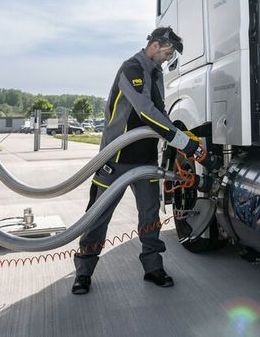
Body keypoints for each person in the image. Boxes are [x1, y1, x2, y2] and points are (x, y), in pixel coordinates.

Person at [71, 27, 203, 295]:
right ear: (154, 45)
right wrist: (181, 141)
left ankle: (153, 268)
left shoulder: (156, 73)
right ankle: (83, 273)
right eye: (167, 53)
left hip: (145, 160)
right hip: (115, 158)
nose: (167, 59)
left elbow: (160, 111)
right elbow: (146, 112)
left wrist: (178, 135)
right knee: (97, 217)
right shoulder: (131, 69)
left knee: (150, 216)